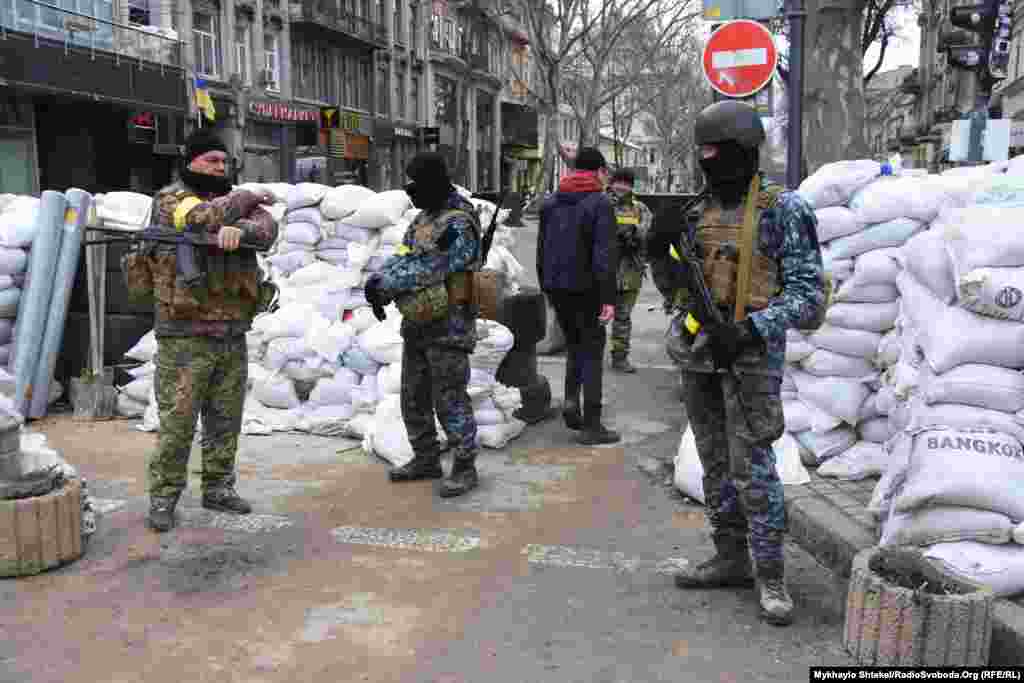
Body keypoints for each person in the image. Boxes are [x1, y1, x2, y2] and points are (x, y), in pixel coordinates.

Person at [646, 101, 826, 625]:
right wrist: (660, 252)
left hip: (750, 360)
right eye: (704, 155)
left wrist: (749, 329)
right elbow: (674, 289)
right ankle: (730, 558)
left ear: (746, 153)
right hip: (700, 357)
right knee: (715, 465)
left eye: (719, 155)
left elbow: (809, 298)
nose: (710, 166)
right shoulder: (696, 213)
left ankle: (770, 574)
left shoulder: (784, 209)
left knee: (755, 470)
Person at [129, 129, 279, 532]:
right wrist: (245, 200)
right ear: (190, 162)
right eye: (211, 160)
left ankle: (218, 488)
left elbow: (267, 230)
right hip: (185, 336)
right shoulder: (171, 199)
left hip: (231, 333)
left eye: (224, 161)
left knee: (224, 420)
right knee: (178, 425)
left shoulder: (232, 203)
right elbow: (200, 219)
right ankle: (163, 497)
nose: (220, 167)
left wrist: (240, 230)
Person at [364, 152, 483, 498]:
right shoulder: (422, 220)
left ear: (431, 182)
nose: (410, 190)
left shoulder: (459, 222)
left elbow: (432, 265)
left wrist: (387, 284)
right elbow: (405, 255)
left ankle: (464, 465)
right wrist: (379, 279)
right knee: (413, 395)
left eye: (414, 183)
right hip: (419, 318)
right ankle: (426, 458)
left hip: (450, 323)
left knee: (449, 398)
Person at [537, 147, 620, 445]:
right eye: (605, 171)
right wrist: (608, 298)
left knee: (574, 345)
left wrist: (547, 287)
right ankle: (592, 424)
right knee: (593, 351)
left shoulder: (551, 202)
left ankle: (571, 403)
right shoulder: (600, 203)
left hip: (557, 287)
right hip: (589, 290)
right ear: (598, 171)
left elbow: (541, 249)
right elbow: (604, 255)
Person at [607, 168, 653, 373]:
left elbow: (647, 229)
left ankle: (619, 357)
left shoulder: (640, 208)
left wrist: (634, 234)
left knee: (623, 317)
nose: (621, 187)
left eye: (626, 183)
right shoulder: (601, 204)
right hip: (604, 270)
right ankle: (588, 357)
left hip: (630, 271)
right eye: (618, 182)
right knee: (594, 317)